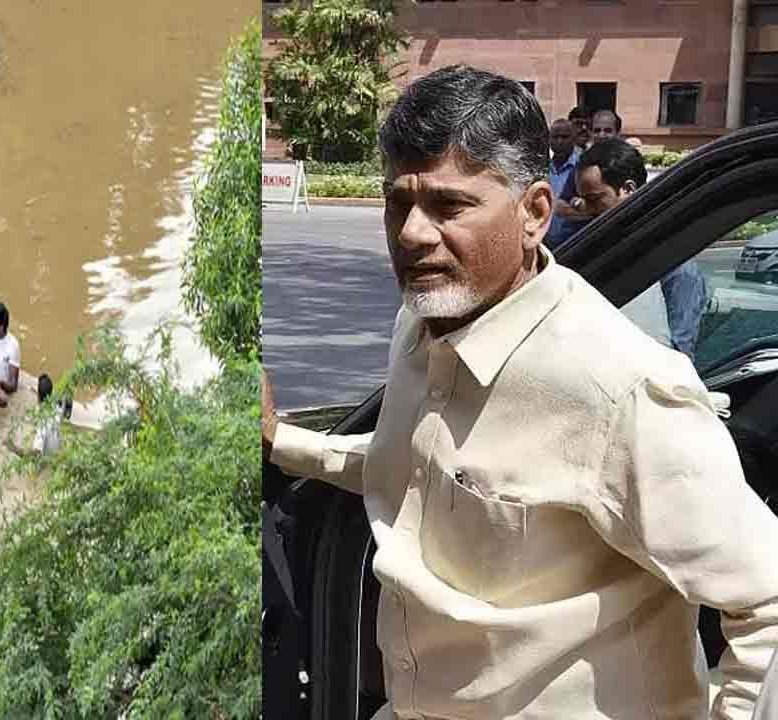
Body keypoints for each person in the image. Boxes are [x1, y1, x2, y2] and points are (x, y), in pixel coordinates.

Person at [264, 65, 778, 720]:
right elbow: (417, 464)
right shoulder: (422, 324)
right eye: (400, 202)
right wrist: (285, 443)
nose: (413, 232)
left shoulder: (619, 388)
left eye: (449, 206)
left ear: (535, 212)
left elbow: (766, 601)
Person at [576, 137, 709, 359]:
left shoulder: (675, 263)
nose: (587, 210)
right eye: (583, 200)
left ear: (628, 189)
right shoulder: (595, 250)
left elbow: (678, 355)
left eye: (595, 199)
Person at [544, 118, 586, 248]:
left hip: (574, 244)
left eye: (565, 137)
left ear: (573, 138)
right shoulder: (542, 167)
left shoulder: (583, 166)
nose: (560, 141)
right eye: (555, 137)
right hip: (545, 244)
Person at [9, 374, 64, 458]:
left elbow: (35, 454)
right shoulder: (58, 409)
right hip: (57, 458)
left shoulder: (42, 425)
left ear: (38, 396)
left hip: (45, 463)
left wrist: (14, 448)